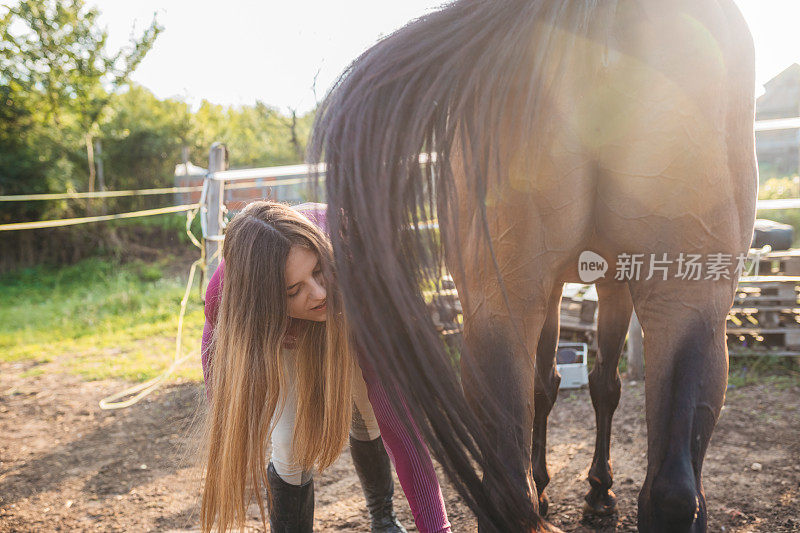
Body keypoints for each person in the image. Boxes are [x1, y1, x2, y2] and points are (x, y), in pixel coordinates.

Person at [199, 201, 451, 533]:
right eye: (294, 289)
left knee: (371, 414)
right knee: (289, 444)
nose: (318, 293)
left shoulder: (353, 264)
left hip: (350, 309)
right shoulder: (226, 295)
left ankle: (383, 518)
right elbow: (217, 369)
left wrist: (437, 529)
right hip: (285, 333)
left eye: (318, 271)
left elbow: (403, 430)